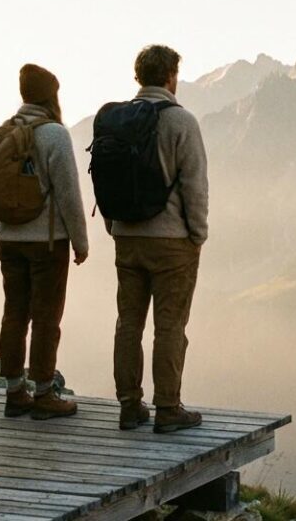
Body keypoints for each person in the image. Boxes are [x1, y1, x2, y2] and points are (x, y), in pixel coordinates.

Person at [109, 44, 209, 433]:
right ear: (170, 77)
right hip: (171, 242)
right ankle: (168, 408)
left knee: (128, 323)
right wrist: (197, 234)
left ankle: (129, 405)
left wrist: (116, 226)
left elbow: (106, 178)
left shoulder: (116, 119)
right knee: (170, 326)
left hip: (126, 238)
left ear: (139, 77)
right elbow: (194, 185)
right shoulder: (181, 121)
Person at [0, 64, 89, 420]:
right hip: (47, 243)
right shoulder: (54, 135)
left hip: (9, 240)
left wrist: (3, 229)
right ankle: (45, 393)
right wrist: (80, 241)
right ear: (51, 95)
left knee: (14, 313)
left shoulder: (4, 132)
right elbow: (68, 194)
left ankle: (14, 392)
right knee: (46, 318)